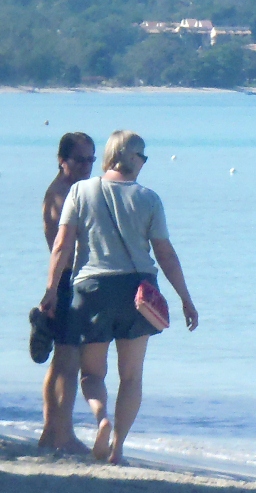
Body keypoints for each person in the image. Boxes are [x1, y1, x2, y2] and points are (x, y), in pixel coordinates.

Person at [39, 130, 199, 464]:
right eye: (143, 157)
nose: (143, 163)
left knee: (92, 375)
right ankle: (118, 449)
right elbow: (165, 254)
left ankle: (101, 418)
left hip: (92, 290)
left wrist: (51, 291)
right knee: (131, 376)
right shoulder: (149, 198)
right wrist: (185, 297)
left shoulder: (80, 191)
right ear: (131, 158)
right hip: (138, 293)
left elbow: (62, 245)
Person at [33, 132, 96, 453]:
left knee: (60, 362)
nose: (87, 166)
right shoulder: (60, 195)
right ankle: (64, 434)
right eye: (80, 159)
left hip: (67, 281)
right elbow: (62, 248)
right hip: (67, 281)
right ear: (63, 160)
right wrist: (52, 291)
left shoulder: (74, 192)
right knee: (68, 362)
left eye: (91, 160)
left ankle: (50, 431)